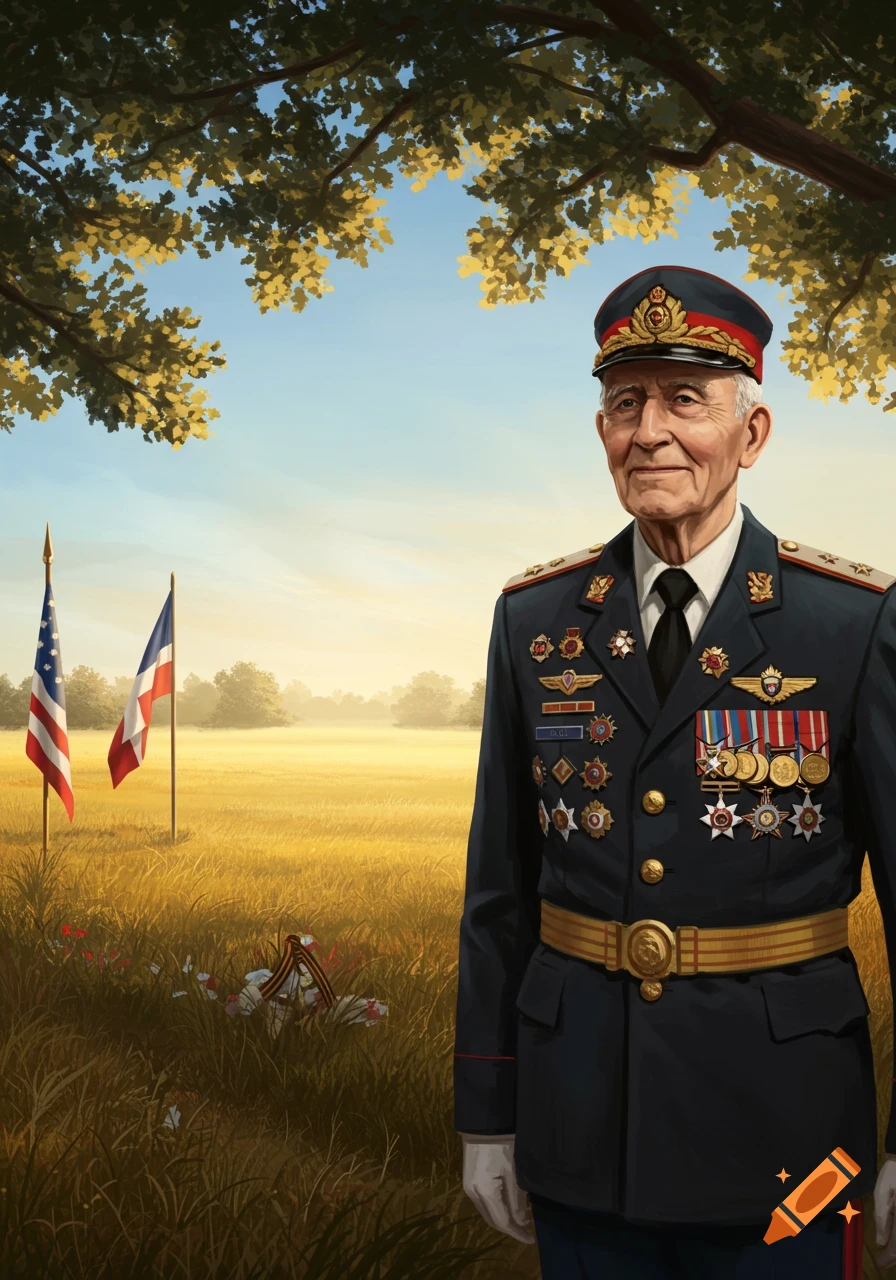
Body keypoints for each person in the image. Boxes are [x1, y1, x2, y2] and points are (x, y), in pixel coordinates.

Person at [453, 264, 896, 1279]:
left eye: (682, 399)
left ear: (751, 433)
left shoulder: (850, 620)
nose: (646, 429)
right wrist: (485, 1112)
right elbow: (497, 893)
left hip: (787, 1132)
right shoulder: (533, 618)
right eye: (622, 402)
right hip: (579, 1123)